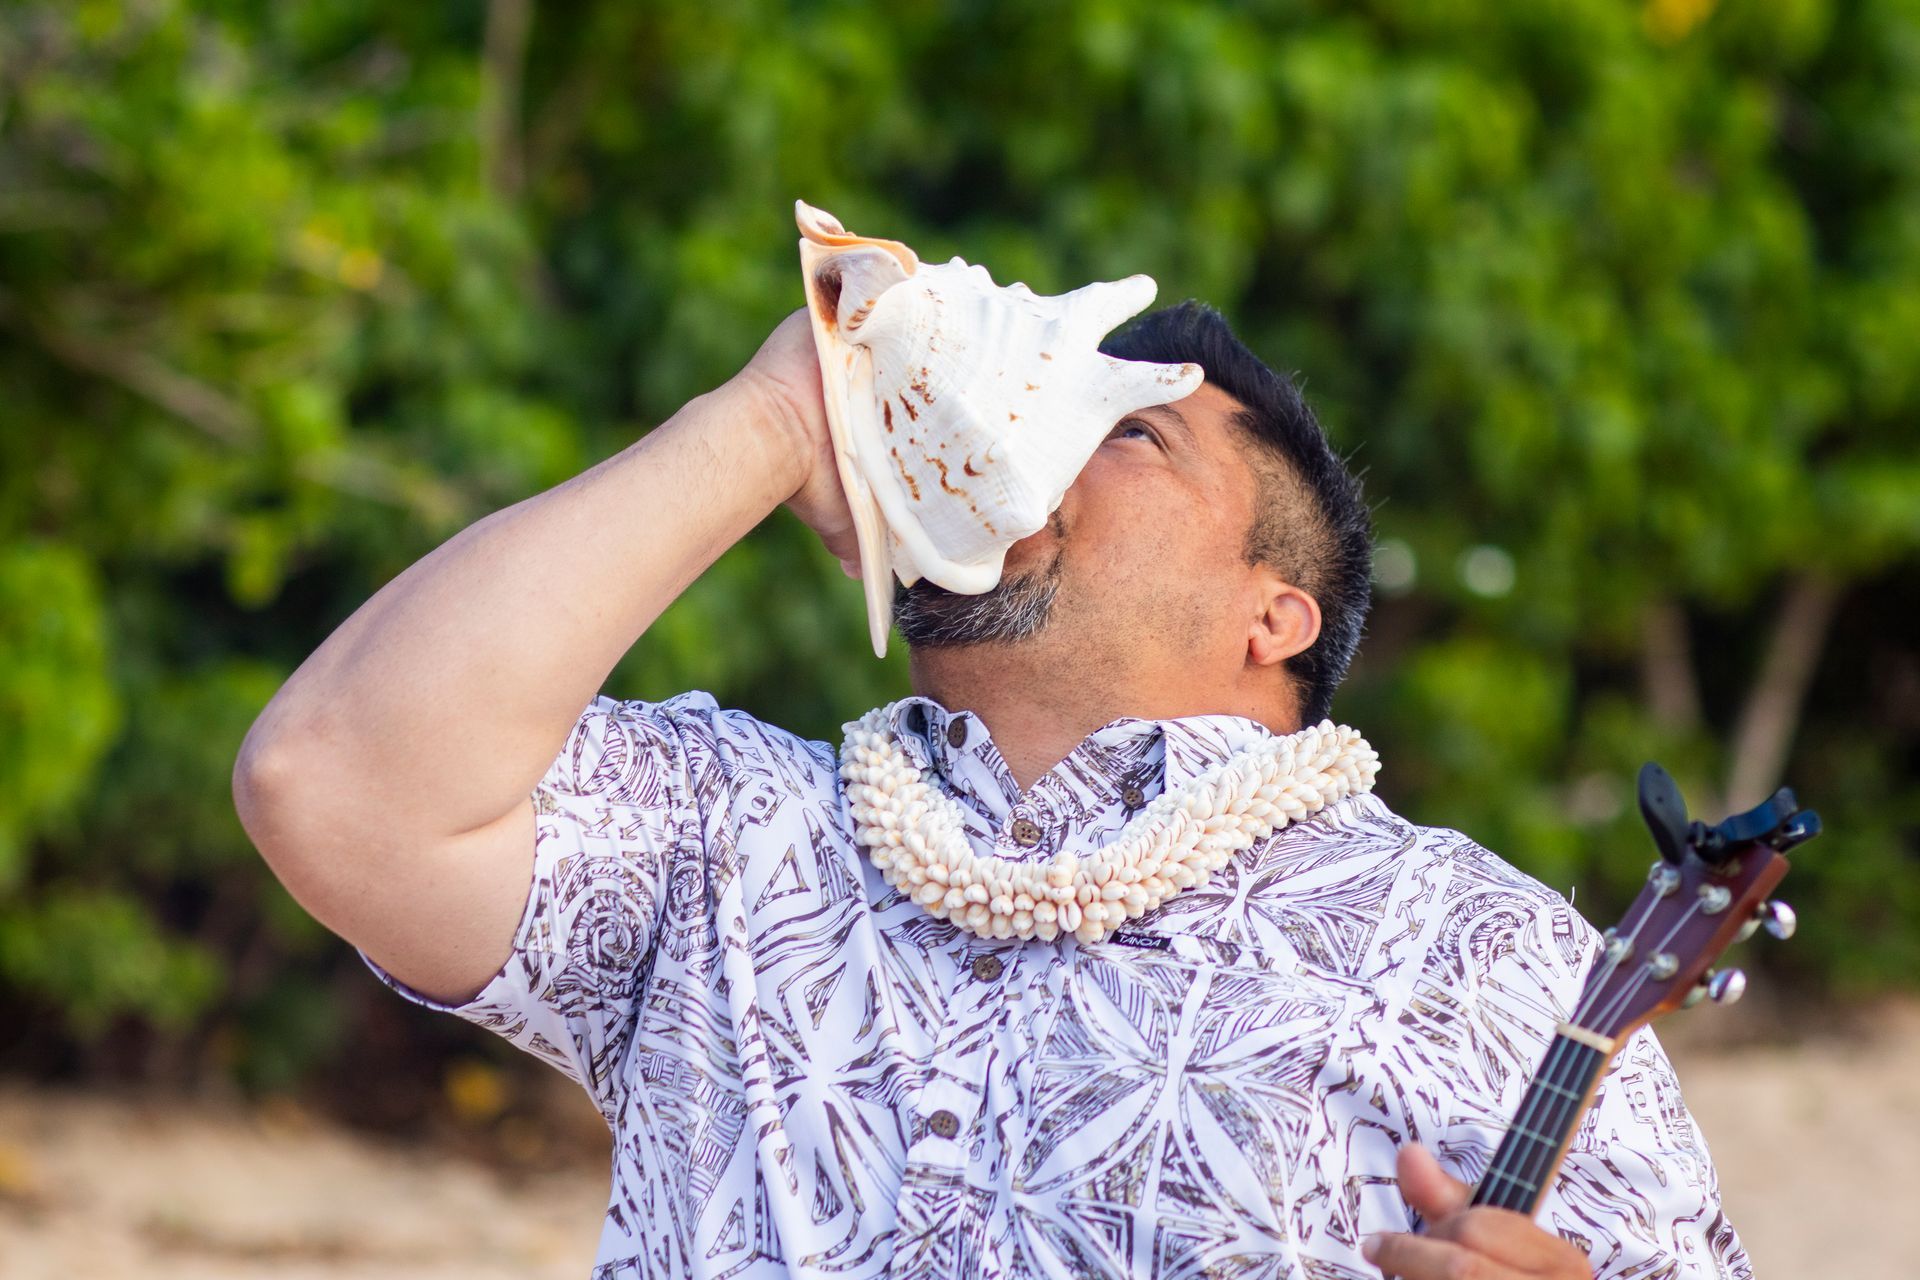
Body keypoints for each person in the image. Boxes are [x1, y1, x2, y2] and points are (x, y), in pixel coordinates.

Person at [233, 301, 1747, 1279]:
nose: (1042, 448)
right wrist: (768, 423)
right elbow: (332, 784)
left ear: (1272, 613)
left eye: (1131, 434)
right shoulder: (735, 835)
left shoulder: (1468, 942)